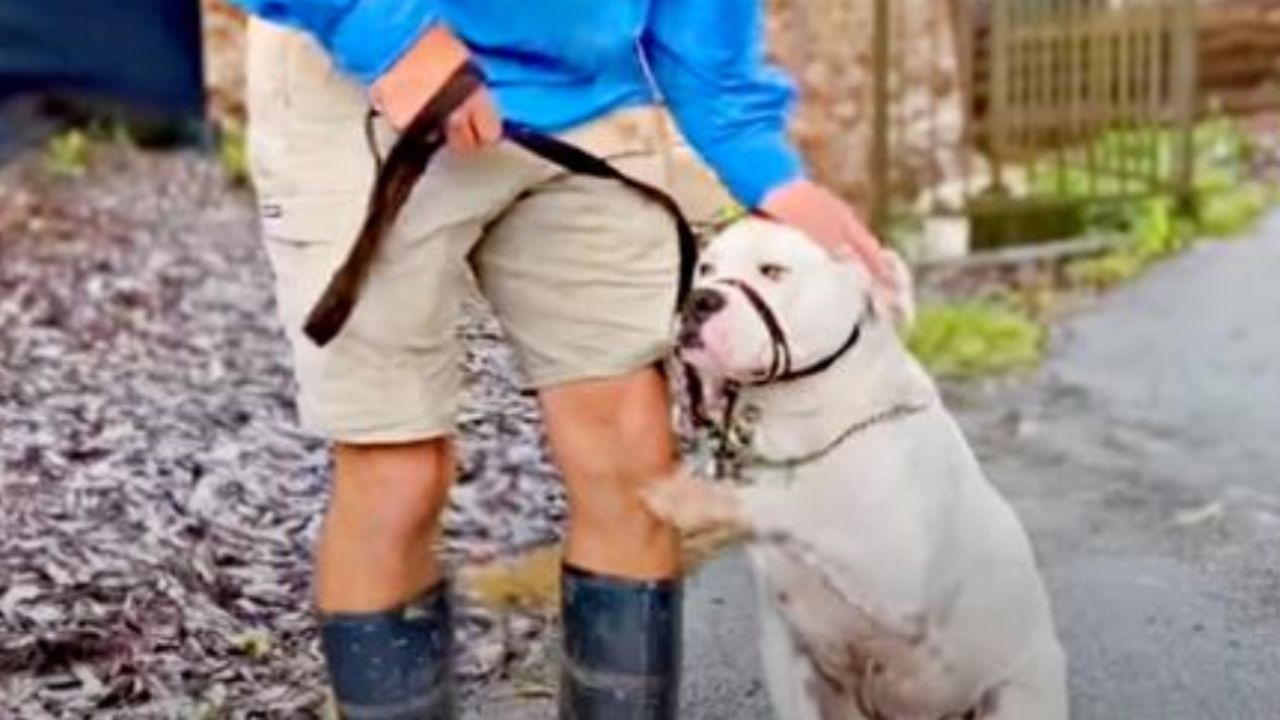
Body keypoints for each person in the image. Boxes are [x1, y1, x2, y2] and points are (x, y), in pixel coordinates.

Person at [229, 1, 888, 718]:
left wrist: (765, 169)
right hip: (360, 80)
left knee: (632, 457)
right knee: (398, 474)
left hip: (586, 96)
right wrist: (382, 31)